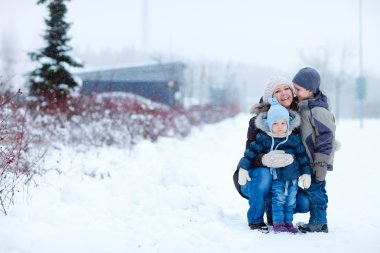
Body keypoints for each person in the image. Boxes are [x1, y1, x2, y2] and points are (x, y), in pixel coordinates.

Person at [233, 76, 307, 232]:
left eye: (287, 88)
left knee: (304, 202)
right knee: (264, 175)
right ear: (270, 98)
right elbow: (249, 155)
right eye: (277, 91)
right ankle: (256, 220)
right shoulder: (258, 123)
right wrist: (264, 160)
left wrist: (304, 171)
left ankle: (274, 212)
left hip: (282, 180)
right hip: (254, 179)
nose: (284, 93)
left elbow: (302, 152)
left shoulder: (297, 121)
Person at [292, 67, 336, 233]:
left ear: (309, 90)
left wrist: (321, 163)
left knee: (315, 190)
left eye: (298, 89)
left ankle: (318, 222)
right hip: (309, 160)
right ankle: (320, 221)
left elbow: (326, 137)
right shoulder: (305, 106)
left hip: (316, 161)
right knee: (317, 189)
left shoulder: (318, 110)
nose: (295, 92)